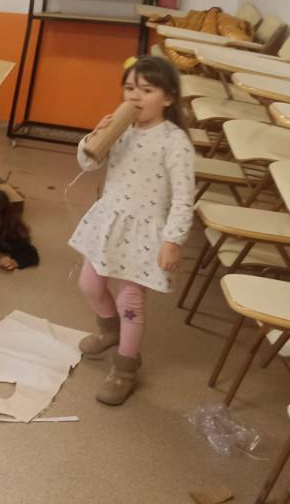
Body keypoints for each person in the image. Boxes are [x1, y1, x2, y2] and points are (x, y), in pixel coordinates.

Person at [70, 55, 195, 406]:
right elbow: (88, 164)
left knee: (130, 301)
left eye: (147, 89)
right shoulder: (121, 128)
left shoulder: (175, 142)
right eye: (129, 88)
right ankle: (109, 329)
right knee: (89, 284)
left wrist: (173, 240)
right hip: (110, 221)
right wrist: (96, 136)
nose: (135, 96)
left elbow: (184, 197)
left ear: (168, 98)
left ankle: (125, 367)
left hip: (144, 232)